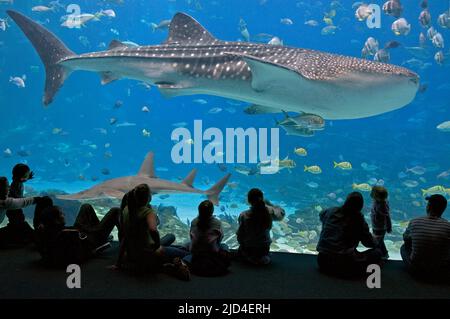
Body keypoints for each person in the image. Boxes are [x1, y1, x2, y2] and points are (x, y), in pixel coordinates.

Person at [116, 184, 190, 280]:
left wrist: (118, 263)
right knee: (187, 254)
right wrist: (157, 245)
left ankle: (164, 262)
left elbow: (126, 238)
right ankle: (172, 265)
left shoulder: (126, 210)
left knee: (171, 237)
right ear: (148, 197)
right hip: (149, 252)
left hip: (132, 253)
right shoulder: (148, 213)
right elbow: (153, 230)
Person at [316, 192, 382, 278]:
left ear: (346, 201)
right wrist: (376, 239)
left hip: (322, 261)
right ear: (361, 206)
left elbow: (321, 214)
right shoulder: (358, 220)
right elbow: (369, 243)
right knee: (377, 253)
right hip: (343, 263)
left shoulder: (330, 211)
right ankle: (356, 272)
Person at [36, 204, 120, 267]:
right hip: (91, 240)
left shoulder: (47, 230)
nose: (64, 215)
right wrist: (93, 252)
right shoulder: (68, 235)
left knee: (86, 207)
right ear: (56, 220)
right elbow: (78, 257)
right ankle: (121, 241)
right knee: (115, 210)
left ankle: (100, 231)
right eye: (61, 214)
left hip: (79, 232)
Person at [401, 194, 450, 281]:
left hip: (416, 269)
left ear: (428, 207)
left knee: (403, 247)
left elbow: (405, 238)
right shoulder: (448, 226)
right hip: (440, 270)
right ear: (443, 209)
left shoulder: (414, 221)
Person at [236, 188, 285, 265]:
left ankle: (249, 258)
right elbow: (281, 214)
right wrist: (270, 205)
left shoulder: (243, 215)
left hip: (248, 247)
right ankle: (261, 258)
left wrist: (242, 243)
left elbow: (240, 233)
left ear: (248, 201)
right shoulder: (268, 214)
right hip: (264, 248)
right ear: (262, 199)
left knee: (241, 251)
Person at [184, 200, 230, 276]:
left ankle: (186, 259)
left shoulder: (194, 221)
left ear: (199, 211)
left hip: (195, 252)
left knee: (187, 244)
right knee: (224, 246)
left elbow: (191, 236)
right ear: (212, 211)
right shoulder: (217, 223)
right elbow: (220, 238)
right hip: (212, 251)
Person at [0, 177, 40, 248]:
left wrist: (21, 180)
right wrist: (38, 199)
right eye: (6, 186)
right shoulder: (3, 202)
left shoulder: (4, 200)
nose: (9, 188)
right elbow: (23, 202)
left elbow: (17, 196)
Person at [4, 164, 35, 245]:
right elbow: (17, 197)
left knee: (18, 219)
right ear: (22, 177)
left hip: (14, 206)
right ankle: (16, 237)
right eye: (27, 175)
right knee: (17, 220)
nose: (28, 177)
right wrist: (24, 198)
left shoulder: (18, 180)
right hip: (14, 207)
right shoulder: (16, 184)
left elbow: (21, 179)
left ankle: (16, 232)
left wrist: (28, 178)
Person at [370, 186, 392, 259]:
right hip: (376, 225)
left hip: (380, 227)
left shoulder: (382, 205)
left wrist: (389, 226)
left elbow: (387, 216)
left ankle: (379, 256)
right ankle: (384, 254)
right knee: (380, 241)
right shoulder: (376, 201)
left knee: (377, 242)